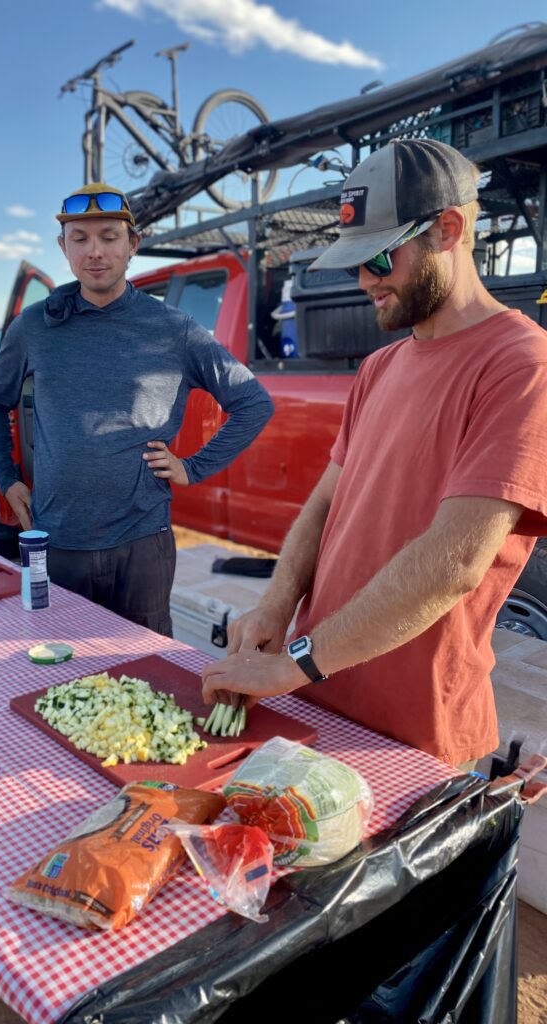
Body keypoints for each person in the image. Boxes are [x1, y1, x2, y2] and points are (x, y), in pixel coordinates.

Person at [202, 139, 547, 767]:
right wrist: (277, 608)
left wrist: (297, 665)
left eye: (379, 257)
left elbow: (456, 561)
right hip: (318, 698)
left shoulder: (522, 366)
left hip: (414, 733)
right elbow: (327, 503)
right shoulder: (380, 366)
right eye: (355, 263)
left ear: (449, 229)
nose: (365, 281)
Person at [0, 182, 274, 636]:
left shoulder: (173, 329)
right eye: (80, 238)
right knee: (59, 666)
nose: (95, 251)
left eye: (109, 237)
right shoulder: (36, 326)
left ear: (133, 244)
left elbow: (252, 402)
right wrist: (7, 477)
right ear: (64, 246)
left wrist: (193, 468)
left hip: (143, 546)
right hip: (58, 541)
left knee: (146, 667)